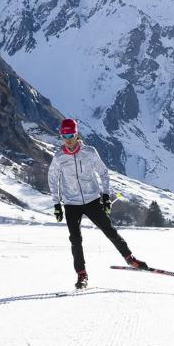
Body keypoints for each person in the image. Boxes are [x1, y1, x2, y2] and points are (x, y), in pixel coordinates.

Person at [48, 118, 148, 289]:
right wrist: (57, 204)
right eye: (64, 135)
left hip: (91, 200)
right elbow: (52, 179)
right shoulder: (59, 158)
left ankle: (130, 259)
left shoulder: (89, 152)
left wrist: (106, 196)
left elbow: (103, 173)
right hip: (71, 203)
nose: (68, 139)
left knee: (109, 230)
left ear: (77, 134)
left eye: (71, 134)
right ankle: (82, 275)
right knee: (75, 239)